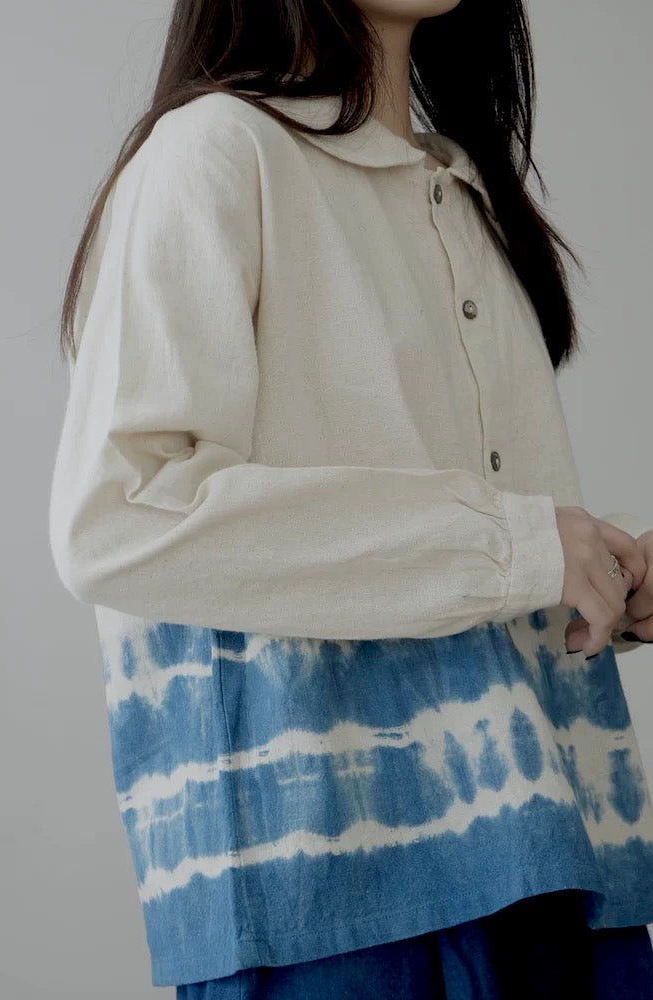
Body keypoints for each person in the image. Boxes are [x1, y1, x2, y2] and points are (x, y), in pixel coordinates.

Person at [48, 0, 653, 995]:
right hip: (336, 896)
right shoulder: (215, 151)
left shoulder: (462, 186)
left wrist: (604, 562)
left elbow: (465, 524)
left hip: (558, 861)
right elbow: (121, 514)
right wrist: (520, 545)